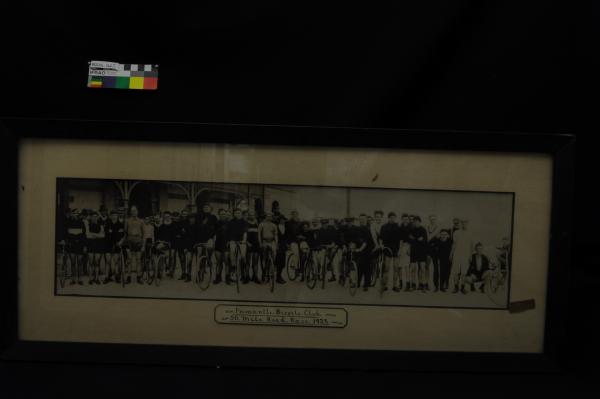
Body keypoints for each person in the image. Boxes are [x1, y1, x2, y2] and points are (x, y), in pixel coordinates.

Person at [450, 219, 475, 294]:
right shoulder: (456, 232)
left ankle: (462, 287)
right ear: (461, 224)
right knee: (456, 272)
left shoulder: (470, 233)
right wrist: (451, 254)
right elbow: (454, 244)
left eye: (465, 223)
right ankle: (456, 287)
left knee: (464, 272)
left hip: (466, 256)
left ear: (468, 223)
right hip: (457, 255)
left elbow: (472, 246)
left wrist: (470, 256)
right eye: (463, 223)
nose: (464, 224)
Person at [379, 212, 401, 292]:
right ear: (388, 218)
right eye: (391, 217)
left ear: (395, 218)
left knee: (396, 268)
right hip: (387, 250)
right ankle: (385, 286)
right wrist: (381, 245)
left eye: (394, 217)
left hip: (396, 250)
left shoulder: (398, 227)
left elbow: (401, 240)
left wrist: (399, 250)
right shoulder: (384, 227)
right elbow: (380, 238)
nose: (392, 219)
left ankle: (395, 285)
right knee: (386, 268)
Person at [64, 208, 86, 285]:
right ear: (72, 214)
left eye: (77, 213)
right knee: (73, 262)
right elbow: (66, 234)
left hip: (80, 245)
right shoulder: (68, 222)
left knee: (80, 262)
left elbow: (84, 235)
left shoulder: (81, 222)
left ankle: (80, 279)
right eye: (74, 213)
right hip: (72, 245)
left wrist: (84, 246)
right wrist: (68, 242)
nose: (75, 214)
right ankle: (73, 279)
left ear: (78, 214)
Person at [154, 211, 179, 279]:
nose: (166, 218)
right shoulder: (162, 225)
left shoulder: (174, 224)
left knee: (172, 256)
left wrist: (172, 242)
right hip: (164, 243)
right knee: (158, 249)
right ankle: (160, 271)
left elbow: (176, 235)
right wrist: (159, 240)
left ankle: (171, 272)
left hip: (172, 243)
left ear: (170, 216)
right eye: (165, 217)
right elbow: (159, 235)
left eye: (168, 216)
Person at [103, 210, 125, 284]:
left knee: (116, 262)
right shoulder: (107, 224)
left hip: (117, 245)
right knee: (108, 262)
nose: (114, 216)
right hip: (108, 245)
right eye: (112, 215)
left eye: (115, 215)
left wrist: (120, 242)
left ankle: (117, 276)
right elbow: (105, 235)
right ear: (110, 216)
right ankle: (106, 277)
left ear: (117, 216)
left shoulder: (121, 225)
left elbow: (123, 236)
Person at [258, 212, 281, 283]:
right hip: (264, 241)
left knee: (274, 253)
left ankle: (272, 266)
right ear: (265, 217)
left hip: (272, 241)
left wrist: (276, 243)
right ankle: (264, 271)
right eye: (268, 216)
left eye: (270, 216)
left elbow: (276, 235)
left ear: (272, 217)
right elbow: (259, 234)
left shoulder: (274, 225)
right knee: (264, 257)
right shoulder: (261, 224)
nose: (269, 217)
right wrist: (260, 243)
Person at [227, 208, 248, 284]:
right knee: (232, 253)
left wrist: (244, 241)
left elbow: (245, 232)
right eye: (236, 213)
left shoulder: (244, 222)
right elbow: (228, 232)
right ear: (234, 214)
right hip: (233, 241)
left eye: (239, 213)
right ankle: (233, 267)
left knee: (243, 256)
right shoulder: (231, 222)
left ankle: (244, 273)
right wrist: (230, 240)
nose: (237, 214)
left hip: (241, 241)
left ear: (241, 214)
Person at [124, 205, 144, 284]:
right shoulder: (127, 221)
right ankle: (129, 277)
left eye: (135, 211)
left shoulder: (141, 221)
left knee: (138, 260)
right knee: (129, 260)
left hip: (138, 241)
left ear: (137, 211)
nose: (134, 212)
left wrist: (143, 244)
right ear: (130, 212)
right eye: (132, 211)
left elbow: (143, 233)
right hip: (130, 241)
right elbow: (125, 233)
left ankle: (139, 277)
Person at [352, 214, 372, 291]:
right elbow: (354, 240)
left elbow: (365, 242)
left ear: (366, 220)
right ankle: (358, 282)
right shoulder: (357, 229)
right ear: (359, 220)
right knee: (358, 267)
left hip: (366, 250)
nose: (362, 220)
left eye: (363, 219)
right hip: (358, 250)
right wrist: (353, 247)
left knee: (366, 268)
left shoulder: (367, 229)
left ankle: (366, 284)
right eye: (360, 219)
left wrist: (360, 249)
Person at [409, 216, 428, 292]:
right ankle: (413, 285)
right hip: (413, 251)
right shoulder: (412, 230)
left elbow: (425, 241)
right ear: (413, 222)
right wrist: (418, 239)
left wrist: (416, 239)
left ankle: (422, 285)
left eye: (417, 221)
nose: (416, 223)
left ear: (420, 222)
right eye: (415, 221)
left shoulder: (423, 230)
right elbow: (410, 240)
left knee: (422, 269)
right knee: (413, 268)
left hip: (422, 251)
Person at [85, 211, 105, 284]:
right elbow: (87, 235)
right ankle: (90, 279)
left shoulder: (101, 225)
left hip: (98, 246)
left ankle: (96, 278)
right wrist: (97, 235)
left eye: (96, 216)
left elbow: (103, 235)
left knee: (97, 263)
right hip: (90, 245)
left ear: (97, 217)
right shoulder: (88, 225)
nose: (94, 218)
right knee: (90, 263)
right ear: (91, 217)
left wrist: (93, 235)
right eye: (93, 216)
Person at [318, 218, 339, 282]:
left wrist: (333, 244)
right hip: (324, 247)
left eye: (325, 224)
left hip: (332, 246)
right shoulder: (320, 230)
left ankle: (333, 275)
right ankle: (321, 274)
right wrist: (322, 245)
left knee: (333, 260)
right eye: (323, 224)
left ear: (327, 223)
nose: (324, 225)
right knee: (321, 259)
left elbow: (335, 237)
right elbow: (319, 240)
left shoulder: (331, 229)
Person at [179, 212, 197, 282]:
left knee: (198, 261)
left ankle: (199, 275)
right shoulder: (186, 227)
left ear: (195, 219)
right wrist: (185, 247)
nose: (191, 220)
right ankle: (188, 275)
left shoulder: (197, 226)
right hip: (189, 246)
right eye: (190, 218)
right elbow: (184, 238)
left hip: (196, 245)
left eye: (193, 218)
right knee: (189, 260)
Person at [213, 209, 229, 284]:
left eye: (224, 214)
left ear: (226, 215)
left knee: (226, 262)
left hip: (226, 245)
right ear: (219, 215)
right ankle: (218, 278)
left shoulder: (229, 223)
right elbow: (213, 234)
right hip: (218, 244)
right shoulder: (216, 223)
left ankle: (227, 278)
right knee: (218, 262)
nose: (223, 215)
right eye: (221, 214)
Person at [425, 214, 441, 291]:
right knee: (426, 267)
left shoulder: (438, 227)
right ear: (429, 220)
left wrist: (429, 236)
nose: (432, 220)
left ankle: (436, 286)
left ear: (436, 220)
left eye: (434, 219)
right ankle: (427, 284)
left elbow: (429, 237)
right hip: (428, 250)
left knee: (436, 268)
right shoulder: (427, 227)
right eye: (431, 219)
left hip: (435, 250)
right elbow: (427, 238)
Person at [245, 210, 260, 284]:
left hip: (256, 244)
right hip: (248, 244)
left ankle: (255, 277)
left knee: (255, 262)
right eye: (250, 215)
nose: (251, 216)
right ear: (248, 216)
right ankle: (247, 277)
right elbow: (243, 235)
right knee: (248, 262)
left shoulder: (258, 223)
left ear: (255, 215)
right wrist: (247, 242)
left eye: (253, 215)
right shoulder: (246, 223)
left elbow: (260, 234)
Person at [398, 213, 412, 291]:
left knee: (407, 267)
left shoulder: (411, 227)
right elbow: (400, 240)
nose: (405, 220)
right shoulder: (400, 227)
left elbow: (411, 240)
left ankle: (407, 284)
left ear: (408, 219)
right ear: (402, 219)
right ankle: (400, 284)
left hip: (408, 247)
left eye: (406, 219)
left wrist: (409, 249)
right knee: (400, 267)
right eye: (404, 219)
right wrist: (399, 250)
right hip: (401, 247)